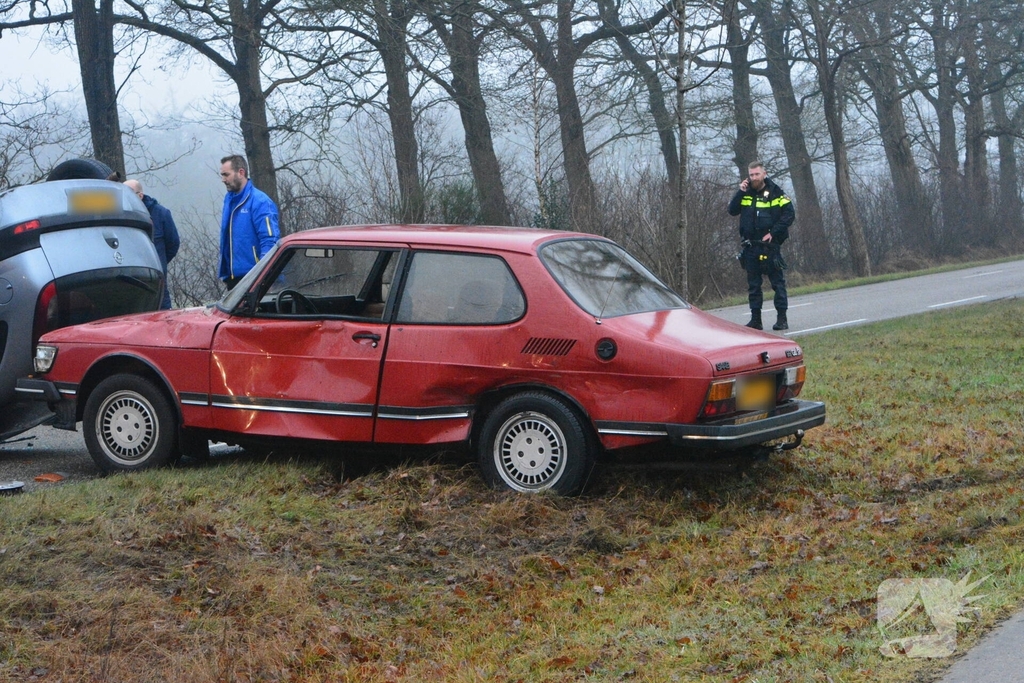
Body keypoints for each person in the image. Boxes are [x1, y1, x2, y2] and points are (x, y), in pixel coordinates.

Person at [728, 160, 795, 331]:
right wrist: (740, 192)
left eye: (757, 174)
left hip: (769, 246)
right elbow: (732, 210)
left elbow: (789, 214)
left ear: (764, 174)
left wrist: (773, 233)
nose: (754, 178)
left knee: (777, 284)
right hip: (750, 246)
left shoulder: (776, 192)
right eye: (751, 175)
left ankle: (782, 319)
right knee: (753, 286)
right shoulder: (746, 193)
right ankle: (756, 320)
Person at [218, 155, 280, 290]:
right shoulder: (229, 199)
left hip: (255, 279)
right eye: (222, 175)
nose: (223, 180)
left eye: (226, 175)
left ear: (241, 173)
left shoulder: (261, 202)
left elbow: (270, 241)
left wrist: (262, 275)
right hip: (232, 278)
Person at [125, 179, 180, 310]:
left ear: (140, 195)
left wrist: (159, 263)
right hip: (130, 284)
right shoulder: (120, 215)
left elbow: (173, 244)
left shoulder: (161, 213)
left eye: (128, 194)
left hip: (157, 284)